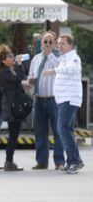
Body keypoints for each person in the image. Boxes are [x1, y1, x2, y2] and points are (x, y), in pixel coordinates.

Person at [44, 34, 84, 174]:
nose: (59, 46)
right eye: (59, 43)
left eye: (63, 44)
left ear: (70, 46)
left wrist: (54, 70)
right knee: (67, 130)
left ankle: (75, 161)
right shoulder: (64, 58)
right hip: (63, 99)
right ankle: (72, 160)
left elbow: (73, 69)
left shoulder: (73, 57)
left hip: (69, 99)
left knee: (62, 129)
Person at [28, 31, 64, 170]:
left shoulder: (58, 58)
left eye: (50, 42)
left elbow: (60, 69)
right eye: (45, 42)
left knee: (57, 131)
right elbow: (31, 75)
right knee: (40, 132)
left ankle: (59, 161)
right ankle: (42, 161)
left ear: (55, 44)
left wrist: (50, 54)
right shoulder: (36, 59)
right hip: (39, 99)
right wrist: (31, 79)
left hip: (53, 100)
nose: (48, 44)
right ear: (41, 43)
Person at [0, 45, 26, 171]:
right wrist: (19, 64)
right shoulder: (4, 71)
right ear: (3, 59)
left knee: (14, 134)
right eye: (10, 56)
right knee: (13, 135)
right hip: (11, 107)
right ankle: (9, 161)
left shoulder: (7, 69)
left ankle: (9, 160)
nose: (12, 58)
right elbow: (18, 78)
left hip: (13, 105)